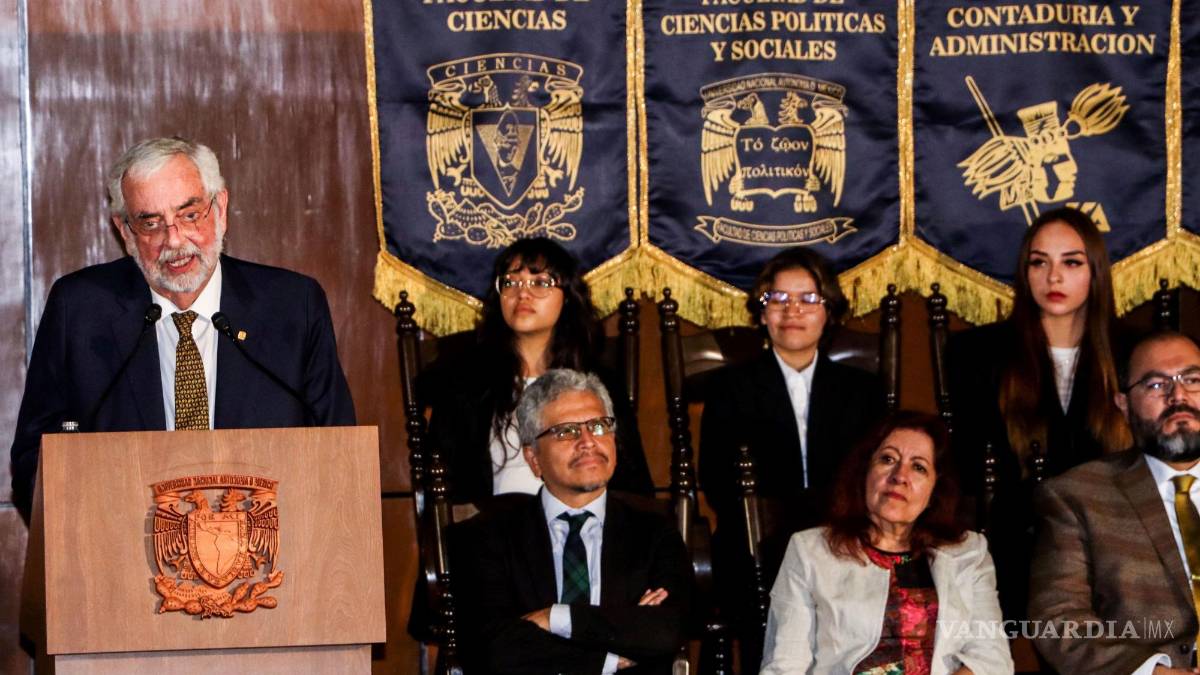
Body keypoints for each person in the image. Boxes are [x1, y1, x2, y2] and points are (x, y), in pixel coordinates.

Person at [9, 137, 355, 522]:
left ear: (219, 209)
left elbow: (338, 455)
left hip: (268, 549)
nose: (173, 240)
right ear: (125, 231)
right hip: (123, 548)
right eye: (151, 223)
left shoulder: (292, 307)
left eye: (189, 215)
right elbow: (33, 463)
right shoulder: (80, 310)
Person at [698, 247, 886, 666]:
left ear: (829, 311)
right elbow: (716, 480)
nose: (792, 311)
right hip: (757, 544)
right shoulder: (731, 387)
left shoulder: (861, 390)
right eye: (778, 298)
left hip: (844, 536)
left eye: (808, 299)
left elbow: (874, 477)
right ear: (762, 312)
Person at [946, 205, 1129, 618]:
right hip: (1012, 546)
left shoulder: (1130, 353)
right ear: (1024, 272)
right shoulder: (977, 355)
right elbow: (971, 470)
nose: (1054, 278)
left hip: (1111, 548)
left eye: (1071, 262)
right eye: (1039, 262)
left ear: (1096, 271)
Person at [455, 369, 691, 674]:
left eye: (598, 426)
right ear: (533, 458)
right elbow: (491, 648)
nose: (588, 442)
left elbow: (667, 629)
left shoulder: (655, 533)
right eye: (566, 431)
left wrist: (555, 618)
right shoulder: (487, 537)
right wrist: (607, 658)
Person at [761, 412, 1013, 675]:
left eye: (919, 467)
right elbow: (784, 666)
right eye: (888, 459)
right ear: (864, 473)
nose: (899, 476)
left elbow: (991, 659)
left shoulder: (968, 553)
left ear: (934, 491)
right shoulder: (810, 551)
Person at [427, 237, 653, 505]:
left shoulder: (598, 383)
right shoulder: (465, 382)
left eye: (540, 283)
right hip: (497, 522)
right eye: (510, 283)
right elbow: (444, 485)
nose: (523, 294)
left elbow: (634, 483)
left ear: (567, 297)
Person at [1029, 331, 1200, 673]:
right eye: (1156, 385)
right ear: (1123, 404)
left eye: (1193, 380)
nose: (1178, 395)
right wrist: (1153, 671)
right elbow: (1057, 620)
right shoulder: (1077, 495)